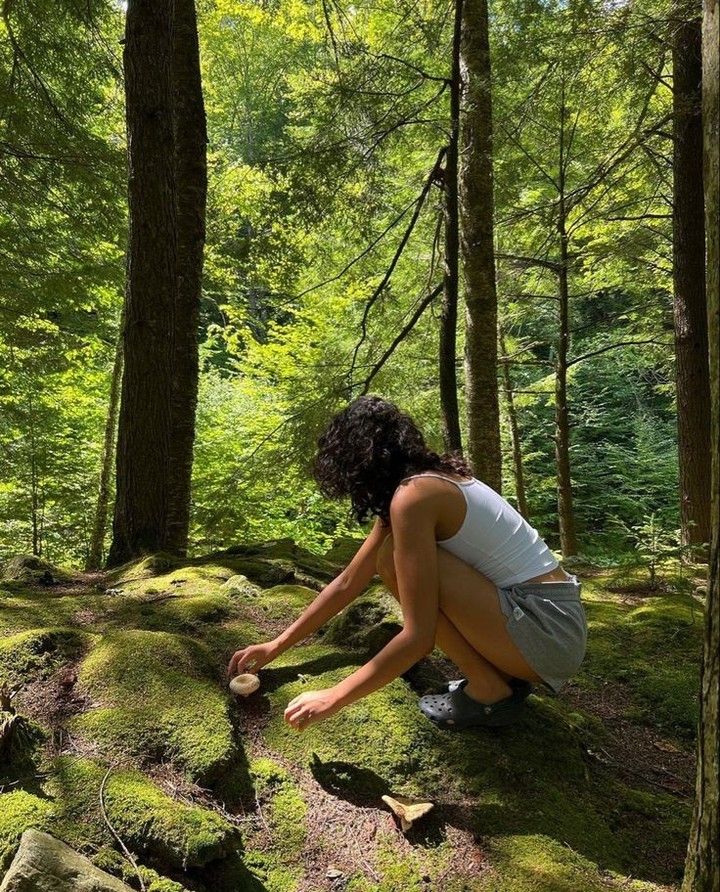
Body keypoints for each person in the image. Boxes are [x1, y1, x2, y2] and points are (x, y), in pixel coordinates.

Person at [227, 395, 587, 732]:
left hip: (548, 632)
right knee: (389, 557)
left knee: (392, 560)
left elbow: (419, 638)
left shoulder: (414, 498)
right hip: (550, 626)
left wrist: (333, 696)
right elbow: (349, 581)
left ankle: (490, 688)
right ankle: (495, 677)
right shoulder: (419, 488)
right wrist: (275, 646)